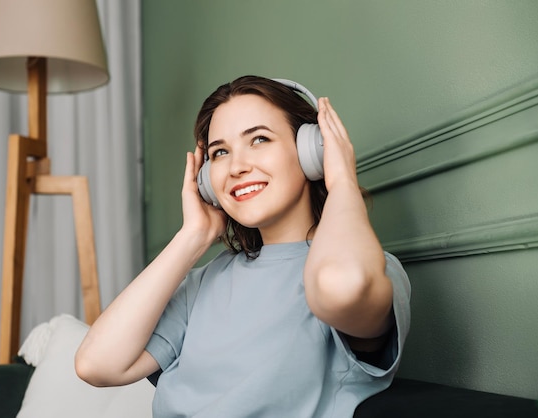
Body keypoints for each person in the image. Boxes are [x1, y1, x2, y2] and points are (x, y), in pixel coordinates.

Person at [75, 75, 411, 417]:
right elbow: (95, 364)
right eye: (220, 152)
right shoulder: (205, 281)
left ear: (312, 149)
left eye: (259, 139)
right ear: (206, 180)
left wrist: (340, 179)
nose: (236, 167)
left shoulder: (370, 269)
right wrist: (193, 235)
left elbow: (343, 285)